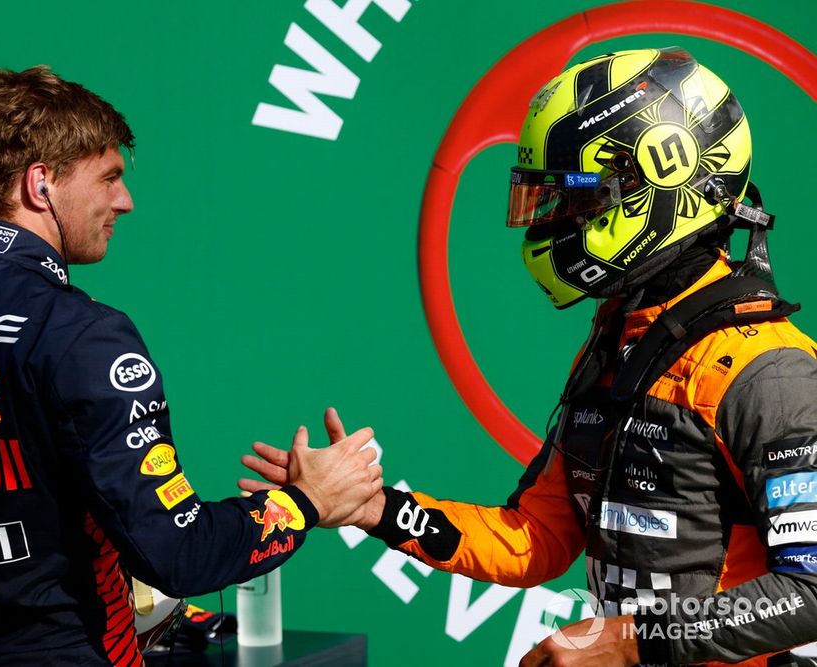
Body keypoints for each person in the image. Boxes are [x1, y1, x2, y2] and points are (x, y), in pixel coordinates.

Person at [242, 48, 817, 666]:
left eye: (576, 201)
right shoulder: (622, 343)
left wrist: (627, 641)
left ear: (662, 181)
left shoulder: (771, 371)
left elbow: (810, 590)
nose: (554, 224)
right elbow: (534, 539)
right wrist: (378, 510)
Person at [0, 66, 383, 665]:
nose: (125, 201)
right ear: (41, 185)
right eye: (109, 177)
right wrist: (306, 500)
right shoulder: (83, 335)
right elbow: (178, 553)